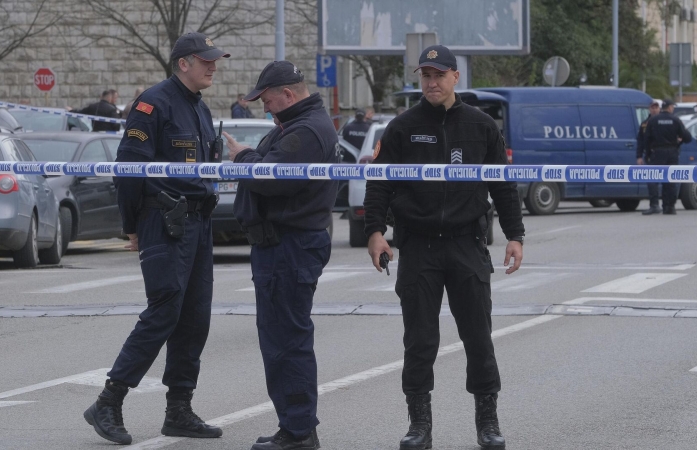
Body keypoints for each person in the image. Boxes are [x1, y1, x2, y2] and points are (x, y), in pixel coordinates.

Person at [363, 45, 524, 450]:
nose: (431, 82)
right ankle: (419, 424)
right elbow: (379, 183)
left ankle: (487, 422)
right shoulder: (401, 127)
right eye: (425, 76)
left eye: (439, 75)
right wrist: (375, 232)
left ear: (455, 77)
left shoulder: (481, 125)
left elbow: (502, 184)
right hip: (418, 247)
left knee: (478, 338)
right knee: (419, 340)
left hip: (466, 244)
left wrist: (515, 235)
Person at [82, 32, 229, 445]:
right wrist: (131, 227)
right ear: (183, 63)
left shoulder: (198, 107)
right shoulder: (153, 104)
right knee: (165, 309)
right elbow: (128, 170)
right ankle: (109, 401)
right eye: (206, 60)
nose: (213, 66)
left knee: (195, 317)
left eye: (215, 60)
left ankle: (179, 408)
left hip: (198, 223)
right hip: (164, 220)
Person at [224, 60, 338, 450]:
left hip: (288, 246)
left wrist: (242, 158)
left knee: (285, 341)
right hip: (283, 246)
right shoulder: (298, 126)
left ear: (288, 95)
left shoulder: (305, 131)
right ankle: (296, 424)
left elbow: (273, 178)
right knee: (282, 338)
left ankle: (298, 430)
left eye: (268, 100)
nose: (265, 107)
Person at [642, 99, 692, 215]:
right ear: (669, 108)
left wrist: (648, 154)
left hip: (657, 152)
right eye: (672, 107)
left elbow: (646, 139)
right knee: (671, 180)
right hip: (672, 152)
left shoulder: (653, 120)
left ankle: (654, 205)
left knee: (653, 178)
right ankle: (669, 207)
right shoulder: (675, 120)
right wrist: (679, 142)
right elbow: (688, 138)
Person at [637, 100, 663, 215]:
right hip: (650, 155)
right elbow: (641, 141)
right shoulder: (644, 124)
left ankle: (668, 205)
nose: (654, 109)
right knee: (651, 180)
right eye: (652, 107)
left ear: (660, 109)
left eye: (656, 107)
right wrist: (639, 156)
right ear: (649, 109)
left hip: (663, 154)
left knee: (667, 180)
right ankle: (654, 205)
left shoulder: (664, 121)